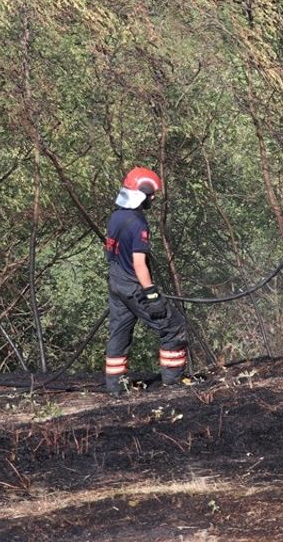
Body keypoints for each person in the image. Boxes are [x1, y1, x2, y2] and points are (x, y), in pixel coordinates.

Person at [103, 166, 188, 396]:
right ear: (141, 193)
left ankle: (115, 388)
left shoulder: (116, 216)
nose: (153, 199)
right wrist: (151, 294)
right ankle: (173, 385)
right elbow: (139, 262)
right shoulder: (137, 223)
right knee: (173, 326)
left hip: (116, 283)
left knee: (119, 333)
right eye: (151, 195)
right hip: (134, 286)